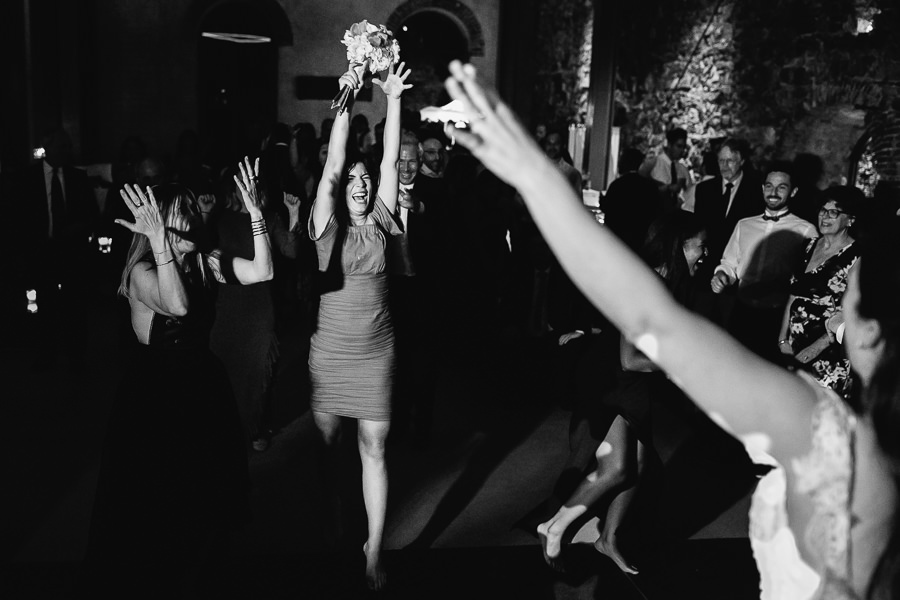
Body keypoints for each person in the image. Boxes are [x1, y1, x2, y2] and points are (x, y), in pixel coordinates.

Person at [444, 60, 900, 600]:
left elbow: (650, 316)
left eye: (841, 302)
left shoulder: (821, 432)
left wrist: (538, 180)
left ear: (866, 332)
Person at [84, 158, 272, 595]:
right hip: (158, 395)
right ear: (160, 227)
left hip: (203, 387)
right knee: (162, 499)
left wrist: (256, 212)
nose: (191, 217)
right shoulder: (140, 272)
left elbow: (263, 271)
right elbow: (179, 306)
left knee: (206, 498)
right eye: (181, 212)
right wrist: (158, 243)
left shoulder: (207, 261)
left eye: (191, 209)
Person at [537, 211, 708, 575]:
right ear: (679, 246)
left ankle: (607, 540)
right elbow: (631, 360)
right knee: (617, 468)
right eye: (699, 247)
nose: (703, 254)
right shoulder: (650, 285)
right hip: (611, 382)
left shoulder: (666, 283)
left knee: (642, 465)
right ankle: (554, 526)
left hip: (631, 382)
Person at [308, 61, 411, 591]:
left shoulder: (384, 219)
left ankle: (374, 550)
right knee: (327, 451)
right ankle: (331, 529)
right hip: (330, 353)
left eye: (365, 179)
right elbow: (331, 168)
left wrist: (393, 98)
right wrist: (347, 98)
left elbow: (391, 158)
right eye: (354, 179)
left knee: (374, 447)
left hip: (376, 354)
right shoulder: (326, 225)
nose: (361, 183)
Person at [711, 165, 817, 361]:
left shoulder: (806, 230)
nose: (773, 193)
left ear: (793, 192)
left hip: (777, 317)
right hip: (741, 312)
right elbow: (730, 263)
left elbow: (811, 279)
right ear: (762, 188)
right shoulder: (744, 224)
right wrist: (721, 275)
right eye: (769, 186)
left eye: (781, 187)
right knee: (735, 364)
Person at [777, 186, 861, 397]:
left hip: (828, 356)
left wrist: (814, 349)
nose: (825, 216)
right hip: (794, 350)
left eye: (834, 212)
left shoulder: (858, 257)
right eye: (823, 210)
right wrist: (782, 341)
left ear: (850, 220)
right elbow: (793, 295)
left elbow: (853, 314)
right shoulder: (808, 246)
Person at [642, 127, 690, 211]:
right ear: (669, 145)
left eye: (684, 147)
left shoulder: (683, 169)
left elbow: (690, 194)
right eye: (678, 146)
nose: (682, 150)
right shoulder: (654, 163)